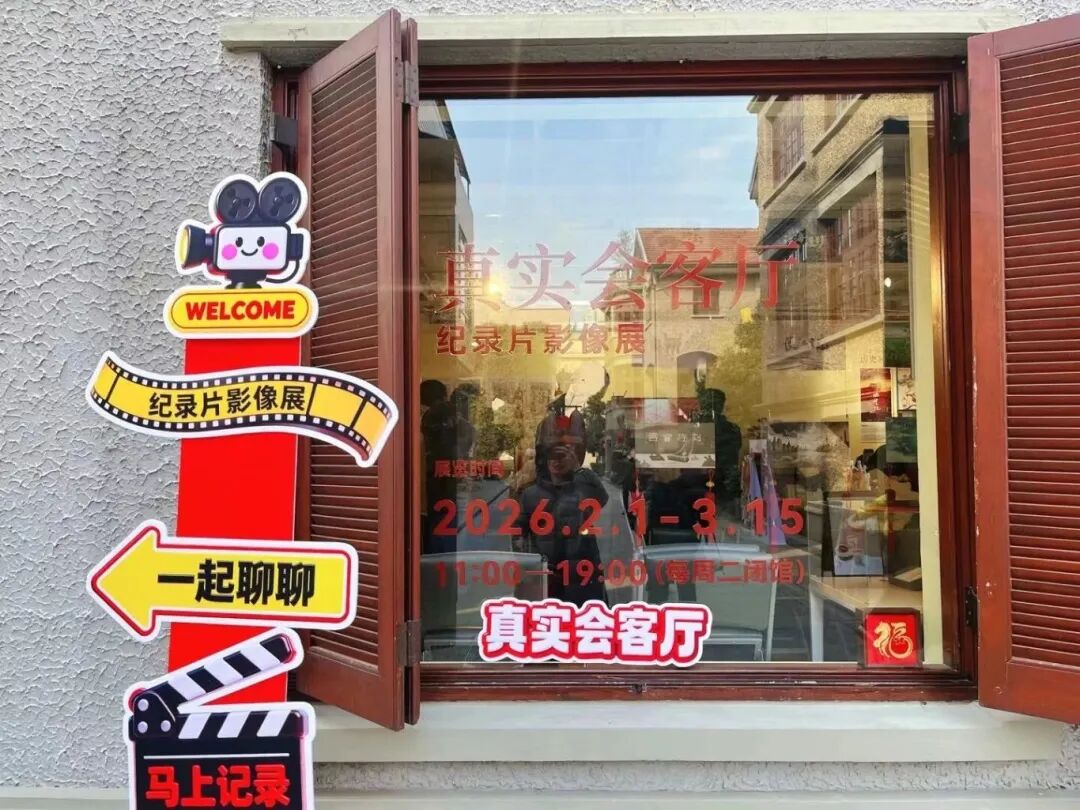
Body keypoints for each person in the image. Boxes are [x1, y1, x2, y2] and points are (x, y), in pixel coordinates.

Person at [516, 417, 609, 606]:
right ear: (544, 459)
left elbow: (601, 498)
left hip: (583, 575)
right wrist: (531, 565)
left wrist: (576, 468)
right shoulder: (530, 494)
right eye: (552, 456)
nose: (556, 461)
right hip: (545, 575)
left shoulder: (584, 485)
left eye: (562, 455)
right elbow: (518, 535)